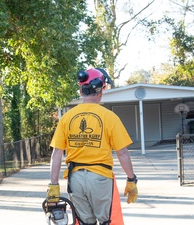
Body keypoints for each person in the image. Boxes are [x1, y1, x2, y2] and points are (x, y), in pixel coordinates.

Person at [46, 68, 138, 225]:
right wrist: (131, 179)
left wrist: (53, 186)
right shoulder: (109, 117)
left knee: (84, 222)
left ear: (81, 91)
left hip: (75, 180)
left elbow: (56, 154)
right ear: (101, 90)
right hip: (100, 178)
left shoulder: (67, 118)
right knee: (106, 221)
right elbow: (122, 152)